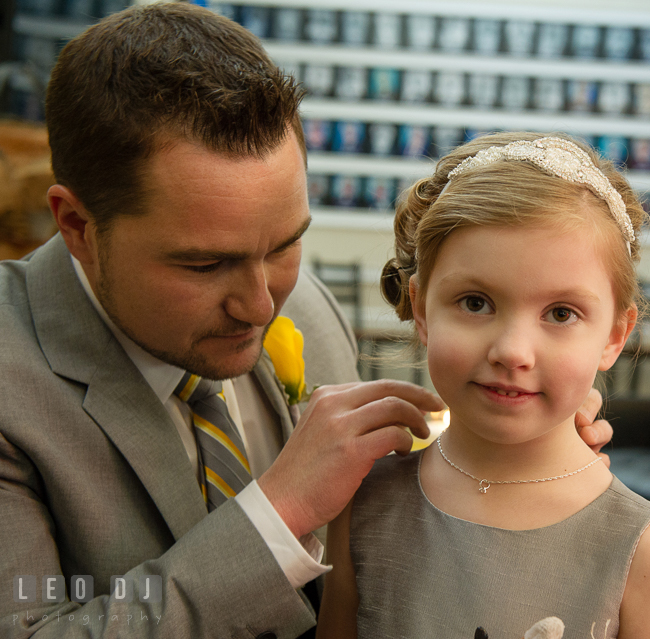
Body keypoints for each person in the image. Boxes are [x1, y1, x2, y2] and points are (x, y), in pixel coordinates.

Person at [0, 5, 613, 638]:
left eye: (284, 246)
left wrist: (506, 442)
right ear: (76, 226)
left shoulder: (311, 310)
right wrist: (278, 514)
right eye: (207, 264)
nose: (263, 306)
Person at [316, 133, 650, 638]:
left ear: (614, 336)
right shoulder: (364, 505)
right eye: (476, 303)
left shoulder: (648, 550)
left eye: (560, 313)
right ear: (421, 310)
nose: (513, 351)